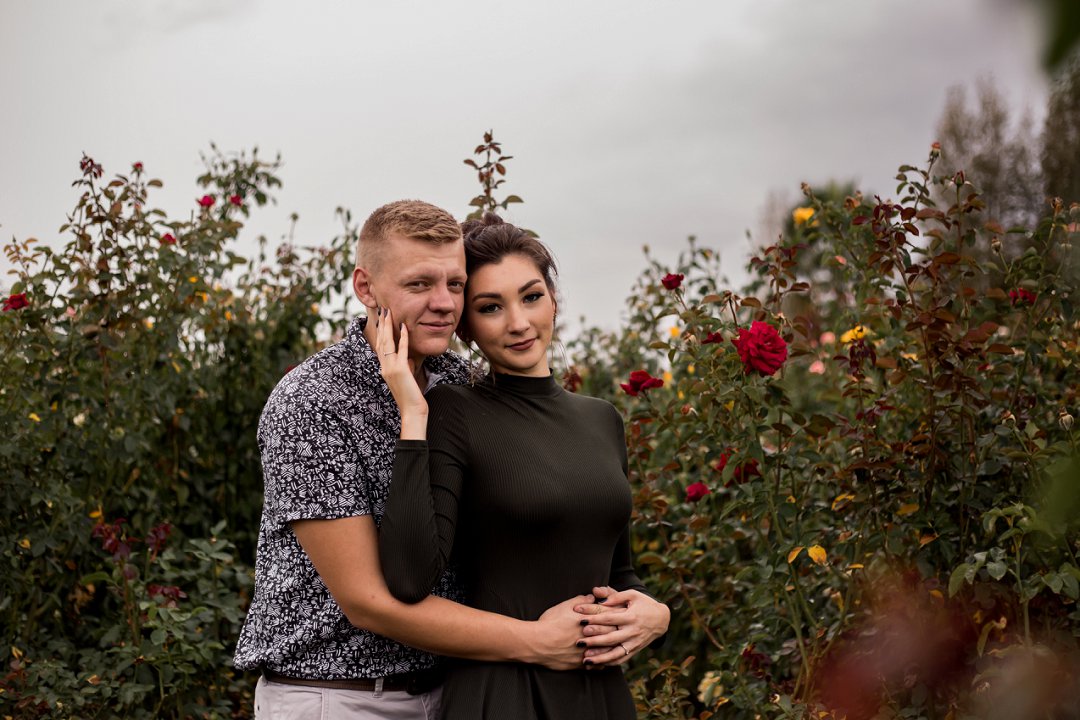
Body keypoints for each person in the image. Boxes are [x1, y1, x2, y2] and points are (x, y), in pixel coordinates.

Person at [233, 200, 634, 719]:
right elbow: (368, 602)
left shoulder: (460, 382)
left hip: (456, 689)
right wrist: (534, 641)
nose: (444, 303)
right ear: (365, 288)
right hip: (341, 695)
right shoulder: (312, 402)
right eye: (420, 284)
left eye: (455, 284)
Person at [376, 212, 671, 720]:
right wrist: (413, 413)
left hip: (599, 694)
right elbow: (408, 579)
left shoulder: (602, 419)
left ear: (553, 299)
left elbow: (618, 572)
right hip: (502, 693)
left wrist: (657, 615)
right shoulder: (454, 412)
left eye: (531, 297)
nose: (517, 323)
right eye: (491, 307)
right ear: (467, 327)